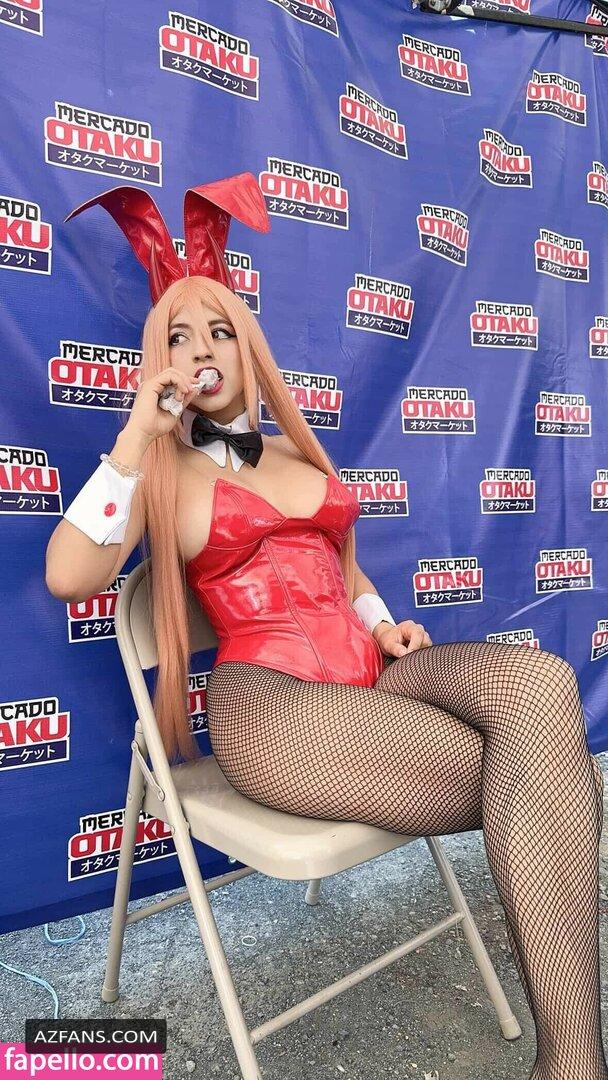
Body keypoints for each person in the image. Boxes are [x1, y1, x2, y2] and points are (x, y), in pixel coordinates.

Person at [46, 175, 608, 1080]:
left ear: (249, 345)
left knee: (540, 689)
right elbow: (70, 576)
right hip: (270, 705)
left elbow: (344, 571)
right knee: (542, 776)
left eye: (219, 329)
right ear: (160, 361)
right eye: (179, 337)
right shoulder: (159, 471)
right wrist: (135, 435)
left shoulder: (293, 452)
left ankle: (571, 1064)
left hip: (369, 674)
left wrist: (381, 626)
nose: (202, 350)